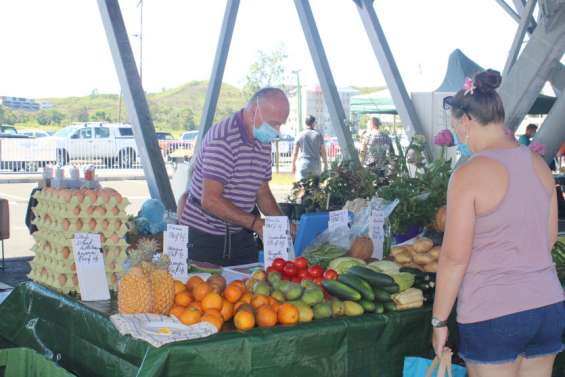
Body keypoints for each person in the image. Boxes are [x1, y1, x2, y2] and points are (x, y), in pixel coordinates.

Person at [434, 69, 564, 377]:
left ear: (466, 122)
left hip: (492, 311)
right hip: (547, 305)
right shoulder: (537, 164)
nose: (456, 136)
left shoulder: (468, 174)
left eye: (454, 127)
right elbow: (548, 239)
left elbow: (454, 258)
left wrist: (439, 321)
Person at [178, 88, 291, 266]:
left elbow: (262, 192)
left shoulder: (263, 140)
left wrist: (282, 224)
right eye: (274, 124)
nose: (277, 131)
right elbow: (210, 200)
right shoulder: (223, 139)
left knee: (248, 290)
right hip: (205, 237)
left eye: (280, 124)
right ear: (254, 111)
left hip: (241, 235)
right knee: (205, 292)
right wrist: (256, 224)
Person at [291, 115, 328, 181]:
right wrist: (325, 163)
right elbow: (323, 152)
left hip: (304, 163)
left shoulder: (300, 134)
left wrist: (293, 164)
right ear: (313, 123)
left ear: (305, 123)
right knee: (315, 187)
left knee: (303, 186)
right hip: (316, 164)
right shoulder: (318, 135)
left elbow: (295, 152)